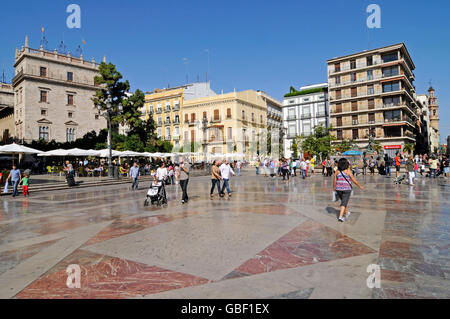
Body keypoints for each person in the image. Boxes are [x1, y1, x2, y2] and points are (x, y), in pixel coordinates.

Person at [333, 158, 364, 222]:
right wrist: (359, 186)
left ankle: (346, 213)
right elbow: (354, 180)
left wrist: (334, 189)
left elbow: (335, 181)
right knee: (344, 203)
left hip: (338, 189)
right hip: (347, 189)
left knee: (344, 201)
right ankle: (340, 217)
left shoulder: (337, 171)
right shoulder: (348, 171)